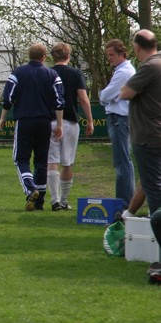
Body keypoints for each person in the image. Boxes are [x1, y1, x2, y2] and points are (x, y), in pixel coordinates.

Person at [0, 43, 65, 210]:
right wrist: (59, 124)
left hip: (24, 120)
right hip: (44, 122)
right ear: (44, 57)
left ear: (29, 56)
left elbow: (8, 98)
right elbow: (59, 101)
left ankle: (30, 188)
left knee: (21, 159)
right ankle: (39, 202)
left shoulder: (18, 73)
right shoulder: (52, 74)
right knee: (41, 161)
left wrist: (3, 118)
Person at [119, 30, 161, 234]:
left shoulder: (150, 67)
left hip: (148, 135)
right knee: (147, 180)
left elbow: (125, 93)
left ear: (137, 47)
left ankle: (156, 235)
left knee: (154, 187)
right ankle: (128, 215)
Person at [46, 42, 95, 211]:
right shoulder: (75, 73)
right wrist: (90, 120)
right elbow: (83, 97)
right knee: (67, 162)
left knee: (51, 161)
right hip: (70, 121)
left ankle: (54, 200)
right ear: (68, 55)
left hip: (50, 120)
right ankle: (64, 200)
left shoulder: (48, 73)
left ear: (53, 57)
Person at [100, 38, 136, 207]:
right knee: (122, 161)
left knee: (122, 162)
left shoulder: (123, 73)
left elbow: (105, 96)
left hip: (120, 119)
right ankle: (125, 201)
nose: (109, 59)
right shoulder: (122, 71)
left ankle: (124, 202)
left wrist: (106, 96)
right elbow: (109, 96)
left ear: (122, 53)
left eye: (112, 55)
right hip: (120, 118)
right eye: (108, 55)